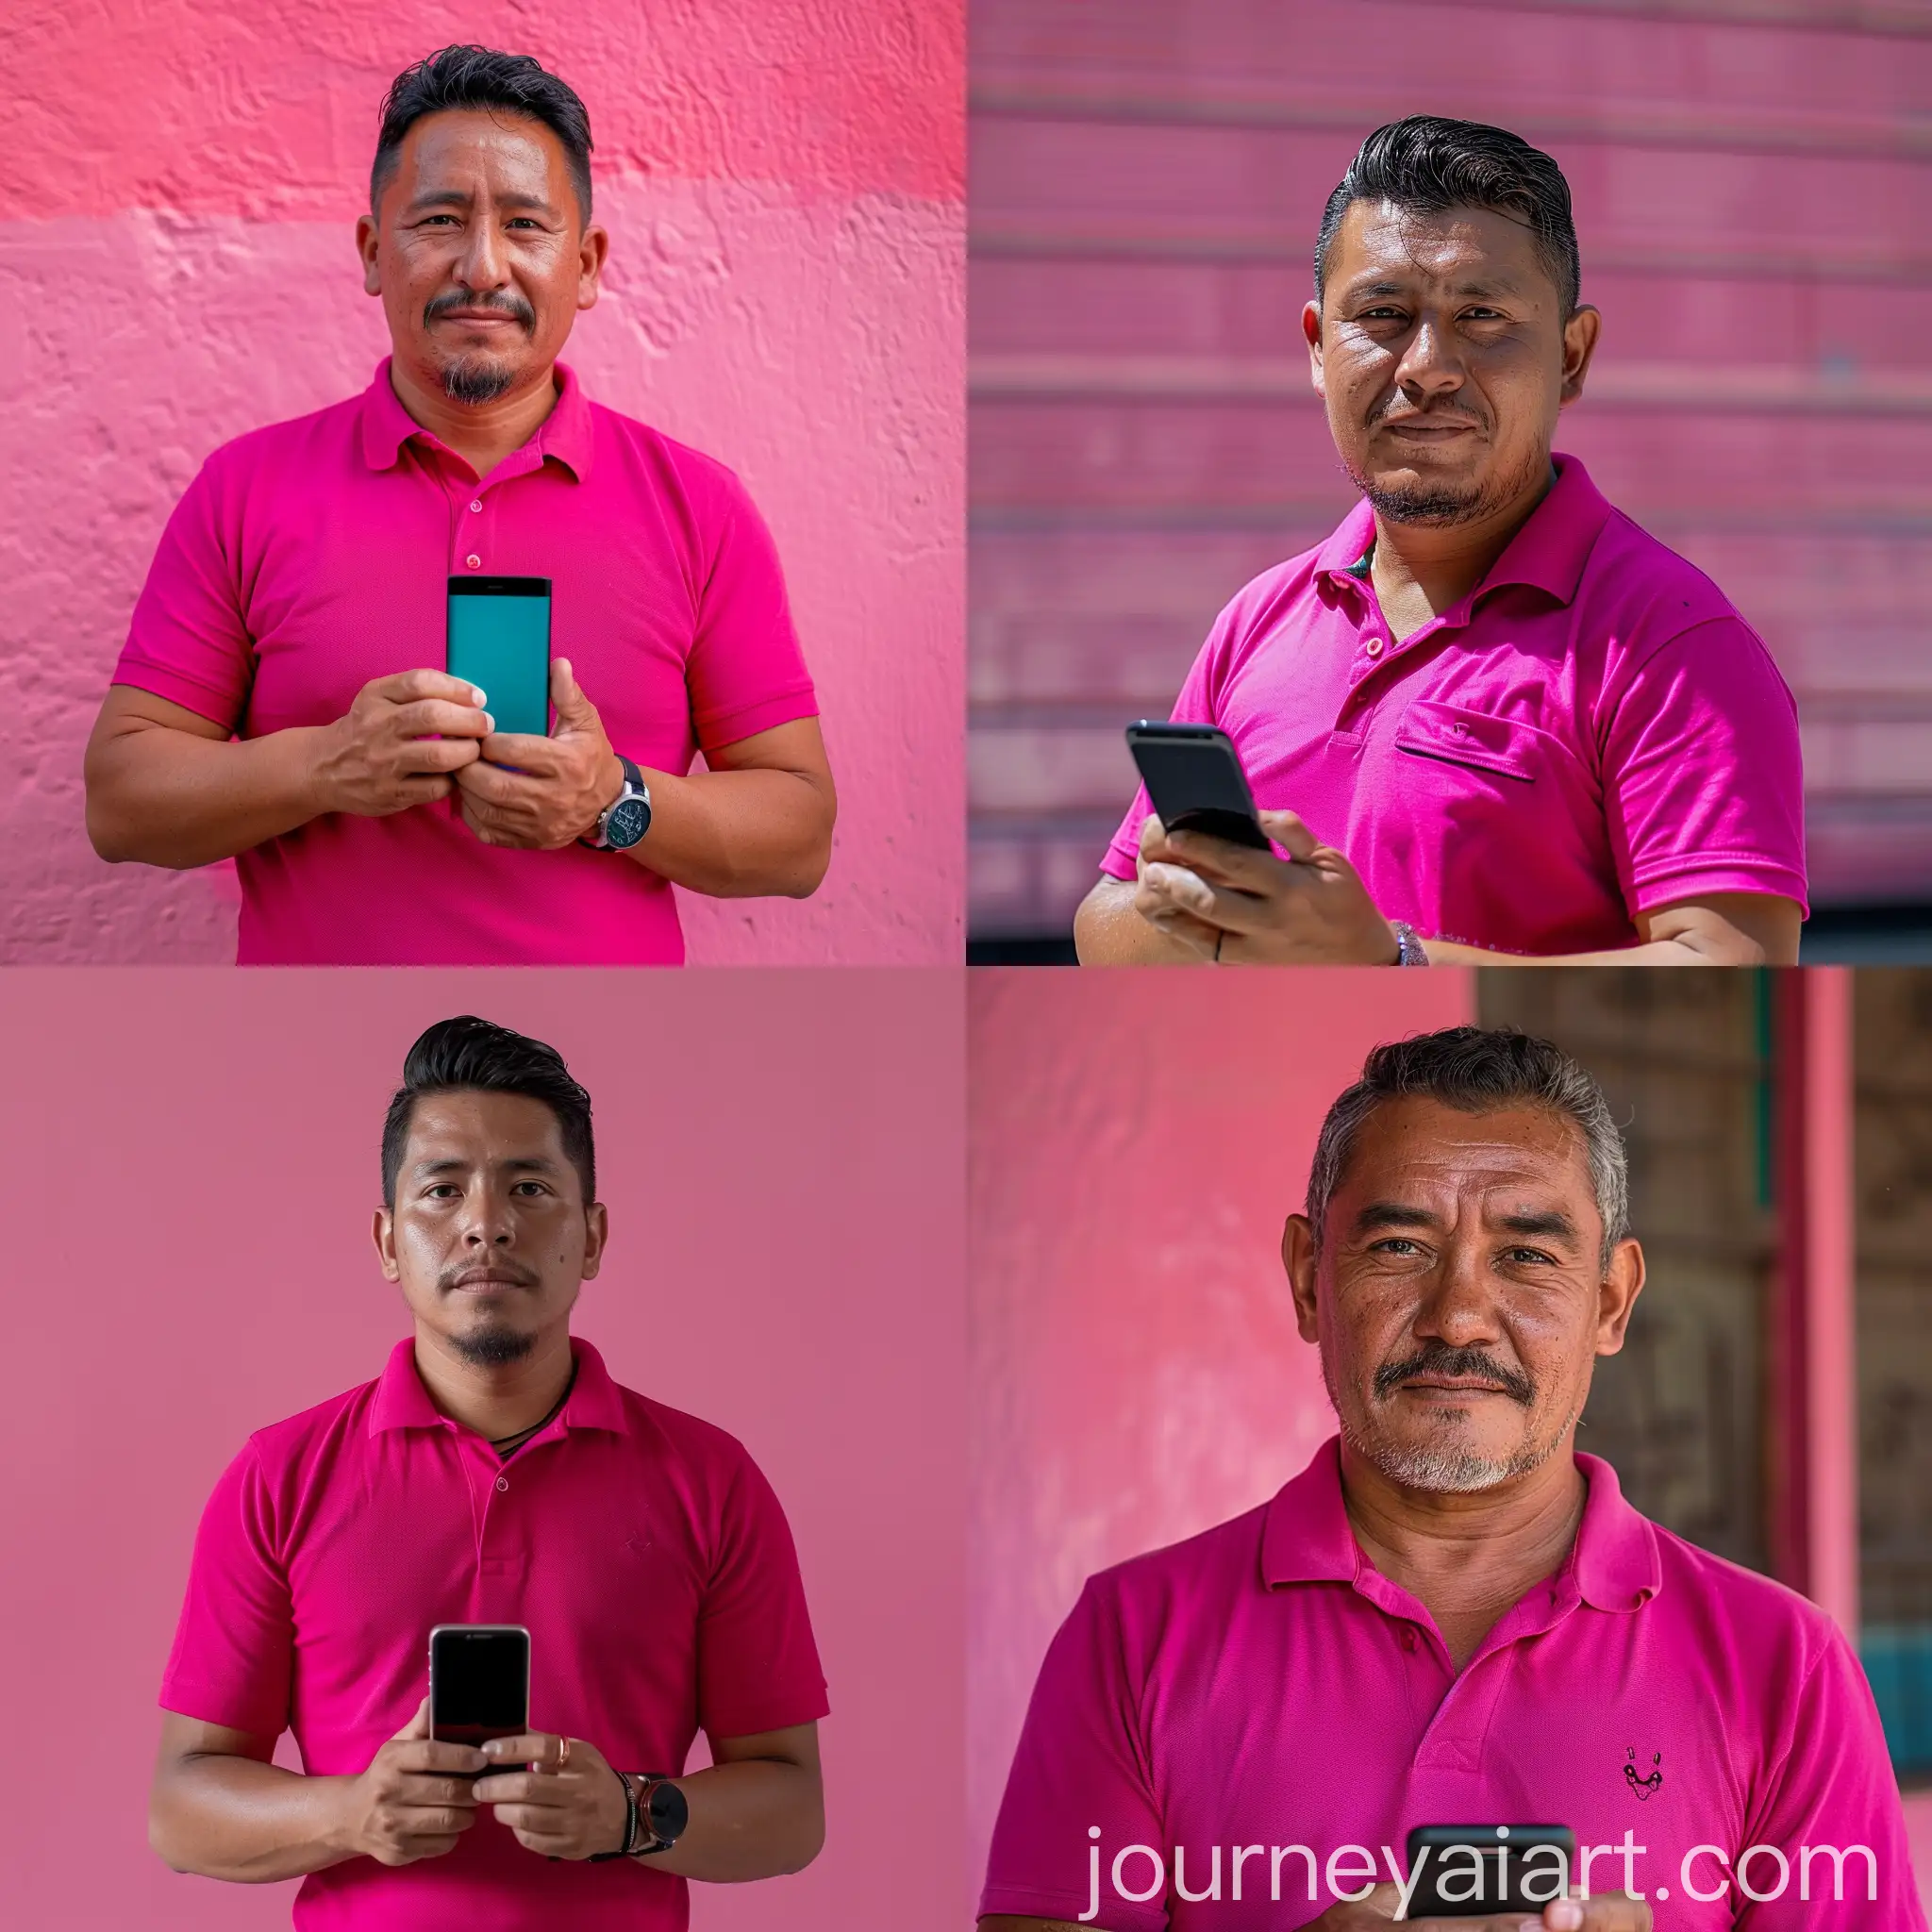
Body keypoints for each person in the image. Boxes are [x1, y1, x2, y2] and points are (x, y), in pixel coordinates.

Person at [980, 1028, 1919, 1931]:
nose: (1458, 1316)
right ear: (1308, 1278)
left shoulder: (1782, 1667)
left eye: (1526, 1255)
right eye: (1399, 1246)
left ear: (1609, 1299)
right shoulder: (1132, 1636)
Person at [85, 47, 836, 964]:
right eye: (440, 220)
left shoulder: (698, 507)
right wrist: (323, 763)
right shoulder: (244, 490)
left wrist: (612, 797)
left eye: (524, 225)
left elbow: (800, 836)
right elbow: (120, 804)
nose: (482, 267)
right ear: (374, 252)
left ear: (586, 264)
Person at [1074, 118, 1805, 968]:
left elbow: (1728, 970)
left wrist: (1387, 966)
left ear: (1572, 357)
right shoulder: (1259, 619)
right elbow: (1106, 920)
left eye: (1483, 316)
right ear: (1318, 348)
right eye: (1382, 314)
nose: (1428, 366)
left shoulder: (1670, 641)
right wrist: (1203, 915)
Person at [148, 1017, 827, 1927]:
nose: (485, 1225)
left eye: (530, 1188)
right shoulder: (278, 1478)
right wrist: (351, 1814)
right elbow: (181, 1809)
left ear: (593, 1237)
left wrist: (630, 1814)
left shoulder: (713, 1480)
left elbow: (793, 1809)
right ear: (388, 1242)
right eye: (442, 1190)